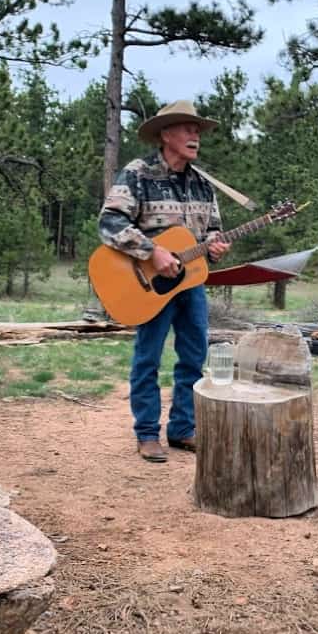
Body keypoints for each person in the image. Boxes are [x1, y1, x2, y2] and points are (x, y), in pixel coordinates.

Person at [98, 100, 231, 463]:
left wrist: (216, 246)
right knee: (148, 358)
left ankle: (182, 429)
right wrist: (151, 252)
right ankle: (146, 433)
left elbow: (213, 231)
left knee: (193, 357)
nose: (195, 136)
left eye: (197, 130)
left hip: (192, 285)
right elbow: (109, 222)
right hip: (148, 285)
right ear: (165, 134)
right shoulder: (139, 174)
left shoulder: (204, 184)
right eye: (187, 129)